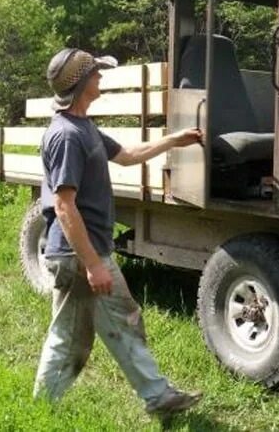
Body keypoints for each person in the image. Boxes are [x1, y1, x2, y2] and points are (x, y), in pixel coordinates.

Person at [33, 48, 203, 416]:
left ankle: (46, 408)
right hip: (78, 255)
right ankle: (156, 397)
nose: (101, 77)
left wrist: (174, 140)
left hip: (83, 253)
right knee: (96, 329)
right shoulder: (66, 136)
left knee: (82, 333)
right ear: (80, 83)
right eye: (95, 73)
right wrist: (93, 264)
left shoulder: (84, 126)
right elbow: (64, 206)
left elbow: (127, 154)